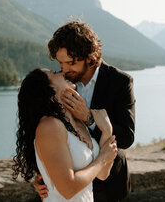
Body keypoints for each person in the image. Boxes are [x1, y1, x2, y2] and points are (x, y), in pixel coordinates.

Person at [35, 21, 136, 202]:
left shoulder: (120, 82)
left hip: (109, 185)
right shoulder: (60, 84)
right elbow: (42, 131)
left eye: (70, 62)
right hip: (70, 182)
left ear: (89, 57)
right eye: (61, 62)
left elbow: (127, 137)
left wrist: (89, 119)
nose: (64, 69)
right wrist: (41, 173)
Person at [13, 68, 118, 201]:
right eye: (54, 73)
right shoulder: (49, 126)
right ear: (48, 91)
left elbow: (103, 174)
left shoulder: (79, 124)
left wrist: (107, 131)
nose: (62, 72)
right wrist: (103, 158)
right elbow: (68, 190)